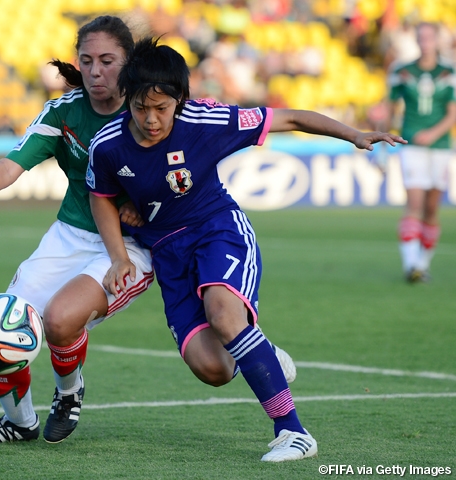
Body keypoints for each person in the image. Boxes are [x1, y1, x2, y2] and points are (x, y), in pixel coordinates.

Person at [0, 16, 295, 445]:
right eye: (86, 61)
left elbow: (180, 170)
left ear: (129, 62)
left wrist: (136, 210)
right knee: (2, 325)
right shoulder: (65, 112)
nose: (96, 71)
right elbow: (12, 164)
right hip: (68, 236)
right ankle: (19, 422)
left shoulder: (153, 106)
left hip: (129, 247)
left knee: (60, 320)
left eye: (107, 60)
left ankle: (68, 394)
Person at [87, 38, 406, 462]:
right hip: (166, 251)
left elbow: (289, 117)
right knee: (213, 369)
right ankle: (260, 349)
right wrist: (119, 257)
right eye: (141, 108)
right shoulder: (107, 145)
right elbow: (101, 196)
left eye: (161, 109)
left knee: (224, 314)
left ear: (180, 101)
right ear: (127, 100)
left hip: (216, 229)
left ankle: (292, 431)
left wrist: (353, 135)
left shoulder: (207, 120)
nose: (150, 119)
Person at [383, 22, 456, 283]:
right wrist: (382, 144)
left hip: (439, 147)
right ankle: (411, 264)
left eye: (429, 37)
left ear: (437, 40)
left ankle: (422, 263)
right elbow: (389, 108)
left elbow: (452, 113)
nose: (425, 42)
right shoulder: (401, 70)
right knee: (414, 203)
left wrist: (433, 134)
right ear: (416, 40)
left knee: (433, 207)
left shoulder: (449, 71)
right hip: (410, 143)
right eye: (421, 37)